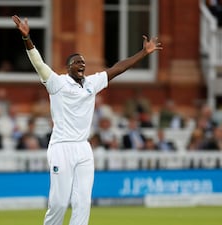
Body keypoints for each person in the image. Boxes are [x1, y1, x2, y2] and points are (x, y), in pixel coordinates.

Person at [12, 15, 162, 225]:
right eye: (76, 62)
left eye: (83, 61)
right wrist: (27, 38)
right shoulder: (57, 83)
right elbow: (38, 63)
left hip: (83, 148)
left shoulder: (92, 83)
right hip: (61, 147)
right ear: (68, 68)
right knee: (59, 202)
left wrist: (144, 53)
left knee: (83, 202)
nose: (81, 64)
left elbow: (118, 68)